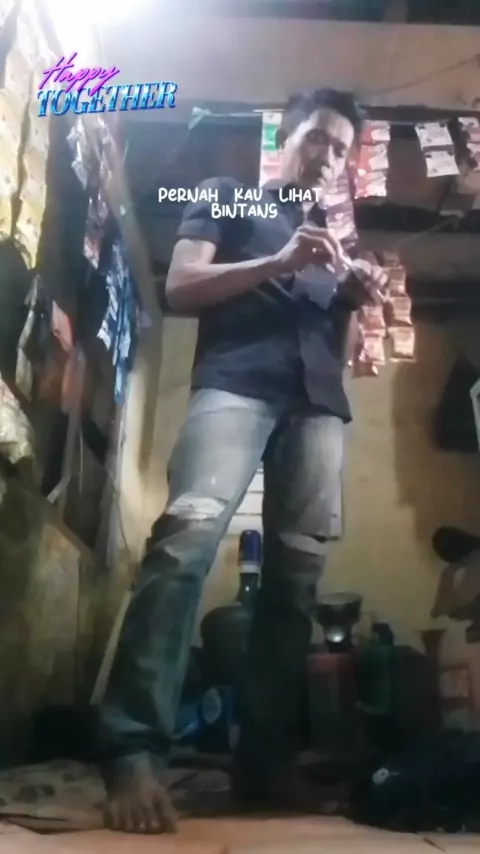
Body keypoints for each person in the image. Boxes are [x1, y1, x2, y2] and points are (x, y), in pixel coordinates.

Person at [98, 88, 388, 834]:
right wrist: (279, 259)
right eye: (317, 138)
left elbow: (341, 355)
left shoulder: (333, 241)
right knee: (184, 543)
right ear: (284, 138)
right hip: (235, 385)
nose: (328, 156)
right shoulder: (227, 196)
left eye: (341, 149)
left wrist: (353, 299)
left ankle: (263, 763)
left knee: (296, 582)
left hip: (316, 406)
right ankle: (132, 751)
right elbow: (181, 285)